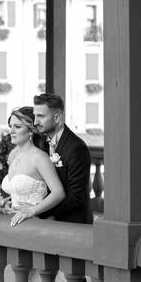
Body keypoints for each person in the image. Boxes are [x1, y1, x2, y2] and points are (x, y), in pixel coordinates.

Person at [32, 93, 93, 225]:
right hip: (46, 224)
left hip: (72, 224)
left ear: (57, 117)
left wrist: (40, 211)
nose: (35, 121)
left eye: (41, 116)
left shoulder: (76, 148)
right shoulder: (40, 141)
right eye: (35, 115)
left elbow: (76, 197)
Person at [2, 107, 66, 227]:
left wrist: (32, 210)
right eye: (11, 126)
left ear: (30, 131)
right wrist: (7, 202)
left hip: (36, 223)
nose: (11, 131)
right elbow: (19, 191)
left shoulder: (39, 158)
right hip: (14, 222)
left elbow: (58, 193)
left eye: (18, 127)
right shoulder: (14, 156)